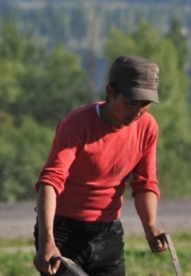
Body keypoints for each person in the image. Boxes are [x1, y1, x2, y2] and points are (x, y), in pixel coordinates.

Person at [33, 55, 169, 276]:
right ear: (111, 92)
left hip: (108, 234)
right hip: (63, 232)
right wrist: (47, 240)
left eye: (145, 105)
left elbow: (145, 183)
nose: (137, 112)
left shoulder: (147, 128)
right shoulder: (77, 125)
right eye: (131, 103)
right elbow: (50, 181)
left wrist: (150, 227)